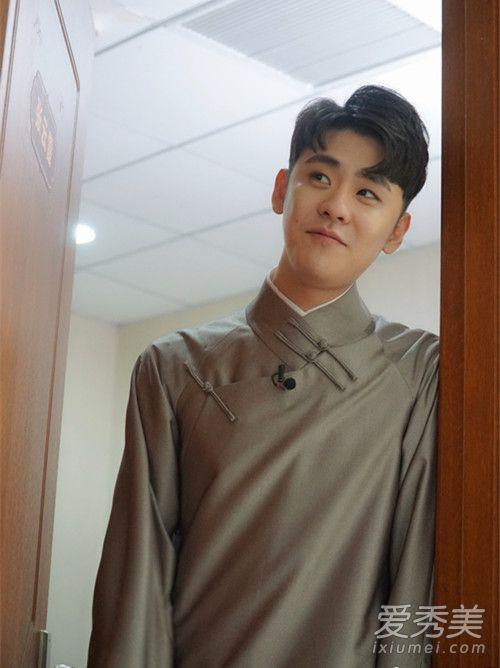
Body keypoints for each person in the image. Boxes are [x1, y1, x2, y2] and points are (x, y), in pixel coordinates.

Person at [87, 85, 439, 668]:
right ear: (282, 189)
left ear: (397, 231)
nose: (337, 206)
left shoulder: (421, 372)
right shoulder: (175, 366)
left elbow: (416, 580)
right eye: (320, 177)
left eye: (367, 192)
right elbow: (135, 586)